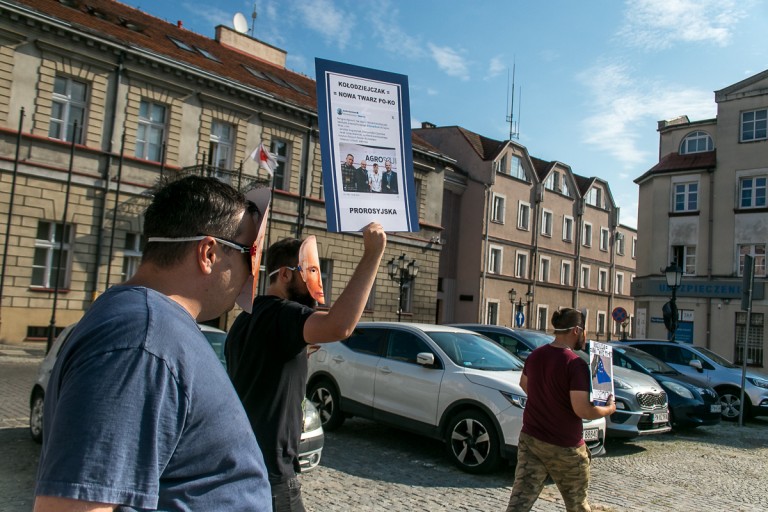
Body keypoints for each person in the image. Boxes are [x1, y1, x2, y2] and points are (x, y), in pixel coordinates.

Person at [34, 176, 271, 512]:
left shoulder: (150, 325)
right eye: (250, 254)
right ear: (208, 253)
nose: (252, 272)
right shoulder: (141, 338)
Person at [225, 222, 386, 512]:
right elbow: (340, 326)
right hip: (273, 473)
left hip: (244, 462)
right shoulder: (284, 315)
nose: (318, 281)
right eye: (310, 272)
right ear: (285, 275)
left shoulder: (247, 317)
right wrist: (372, 255)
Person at [506, 308, 616, 512]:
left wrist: (546, 398)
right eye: (584, 331)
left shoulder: (536, 355)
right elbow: (582, 410)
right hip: (565, 446)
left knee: (519, 503)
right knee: (577, 506)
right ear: (576, 330)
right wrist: (608, 409)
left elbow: (524, 384)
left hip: (531, 439)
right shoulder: (575, 364)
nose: (585, 335)